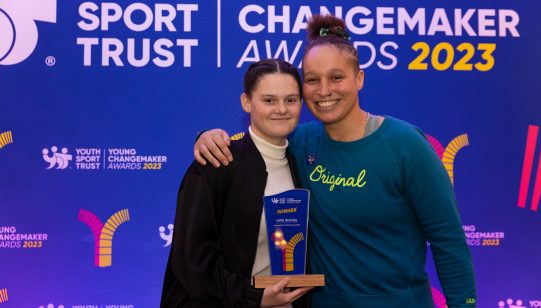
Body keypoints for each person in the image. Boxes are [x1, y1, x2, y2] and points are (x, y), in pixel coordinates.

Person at [193, 15, 476, 307]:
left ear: (360, 78)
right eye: (313, 80)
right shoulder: (300, 142)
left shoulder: (406, 145)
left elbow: (449, 241)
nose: (324, 90)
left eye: (336, 77)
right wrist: (206, 136)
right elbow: (254, 142)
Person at [161, 59, 313, 307]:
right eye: (269, 100)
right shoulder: (217, 163)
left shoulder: (304, 163)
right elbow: (192, 263)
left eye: (291, 99)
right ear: (246, 102)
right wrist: (254, 298)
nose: (281, 109)